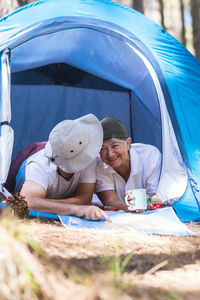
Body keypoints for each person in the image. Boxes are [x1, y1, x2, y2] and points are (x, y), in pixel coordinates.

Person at [15, 114, 110, 221]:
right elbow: (27, 201)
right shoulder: (40, 165)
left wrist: (45, 204)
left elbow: (85, 199)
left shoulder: (89, 158)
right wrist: (75, 209)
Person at [95, 117, 161, 212]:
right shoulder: (99, 165)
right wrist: (131, 209)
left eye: (115, 146)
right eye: (102, 148)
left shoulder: (150, 157)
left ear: (128, 143)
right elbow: (110, 201)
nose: (110, 154)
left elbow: (156, 196)